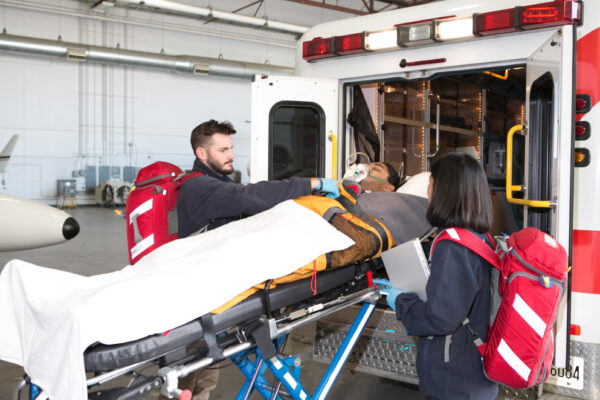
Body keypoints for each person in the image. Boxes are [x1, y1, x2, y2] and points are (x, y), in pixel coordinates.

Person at [164, 119, 338, 400]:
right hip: (195, 292)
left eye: (231, 148)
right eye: (223, 150)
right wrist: (312, 184)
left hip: (211, 290)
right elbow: (250, 196)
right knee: (187, 376)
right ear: (202, 154)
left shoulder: (215, 183)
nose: (231, 155)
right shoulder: (200, 187)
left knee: (205, 375)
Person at [377, 152, 499, 400]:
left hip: (454, 379)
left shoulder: (452, 245)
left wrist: (400, 301)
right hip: (473, 370)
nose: (428, 189)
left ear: (445, 190)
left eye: (431, 181)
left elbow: (440, 318)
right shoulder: (479, 236)